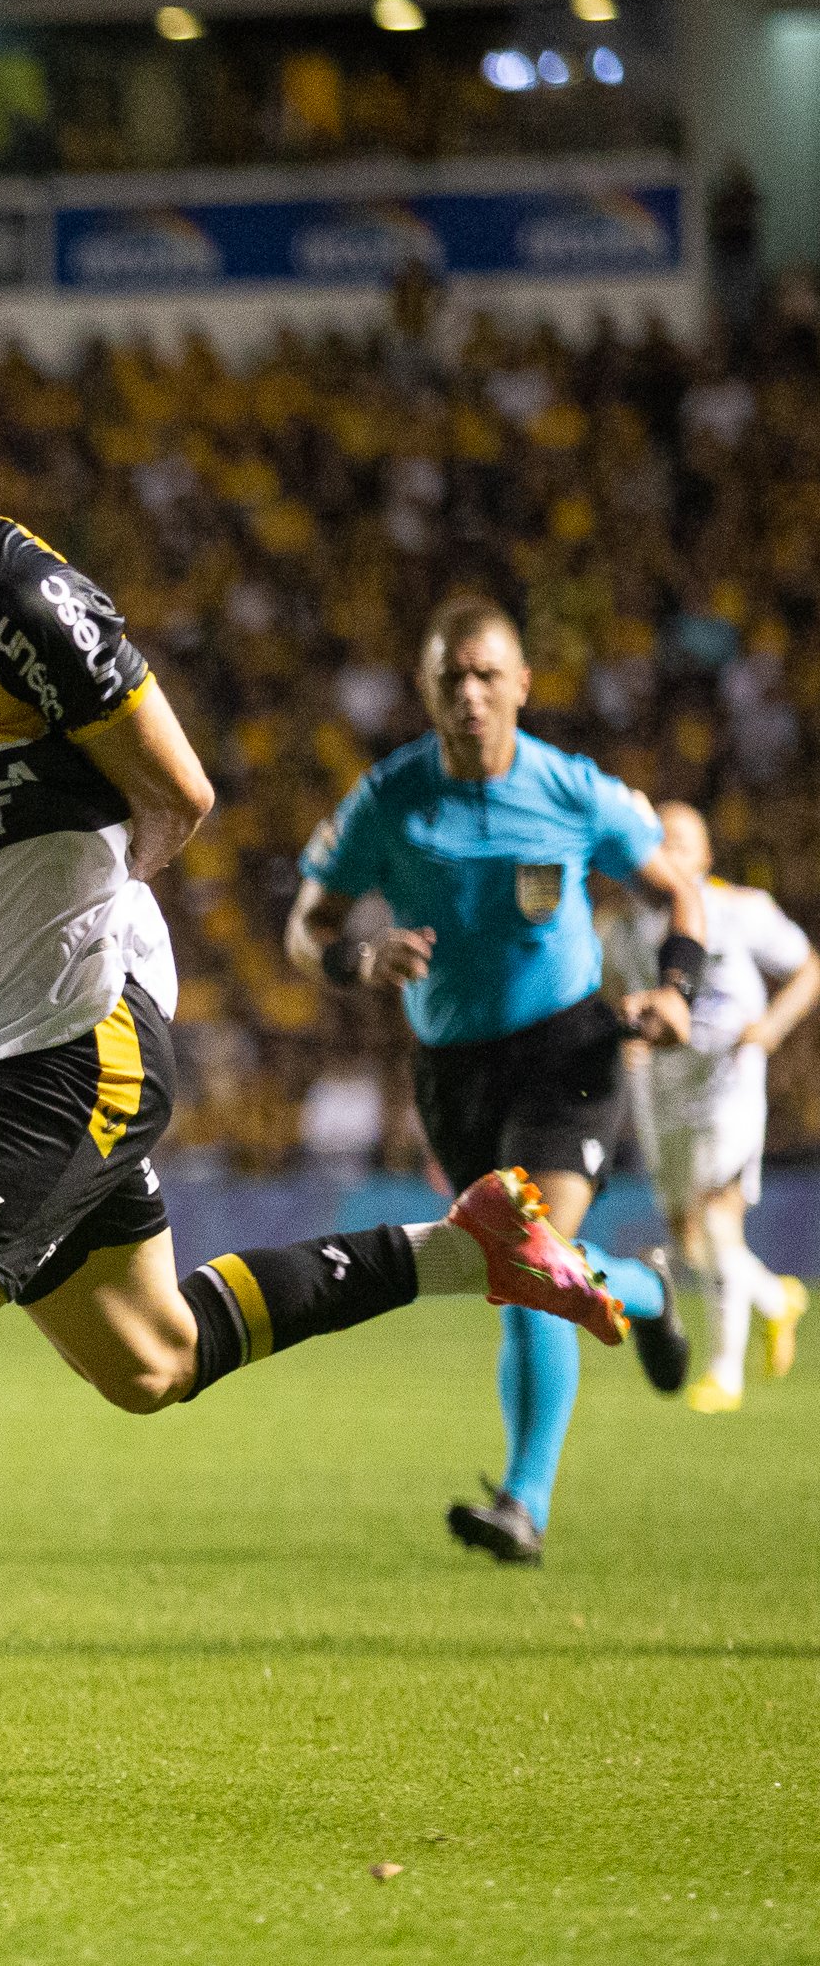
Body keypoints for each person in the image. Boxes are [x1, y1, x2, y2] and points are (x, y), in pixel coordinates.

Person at [0, 297, 639, 1792]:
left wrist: (100, 926)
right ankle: (463, 1241)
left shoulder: (14, 586)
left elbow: (180, 790)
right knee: (150, 1359)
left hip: (76, 1043)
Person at [288, 596, 705, 1565]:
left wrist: (676, 989)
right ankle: (643, 1288)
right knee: (514, 1261)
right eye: (449, 677)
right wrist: (358, 958)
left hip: (566, 1051)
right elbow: (307, 922)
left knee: (526, 1255)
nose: (468, 694)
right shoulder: (389, 798)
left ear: (522, 683)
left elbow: (674, 888)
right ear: (425, 689)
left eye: (486, 675)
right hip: (451, 1071)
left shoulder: (571, 790)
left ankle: (522, 1499)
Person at [602, 802, 815, 1411]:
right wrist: (632, 1038)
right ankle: (775, 1297)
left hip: (728, 1078)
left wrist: (771, 1027)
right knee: (688, 1237)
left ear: (705, 856)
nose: (667, 853)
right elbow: (619, 988)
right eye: (657, 842)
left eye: (681, 843)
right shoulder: (623, 926)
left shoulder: (740, 910)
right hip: (662, 1086)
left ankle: (726, 1373)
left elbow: (807, 967)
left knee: (719, 1214)